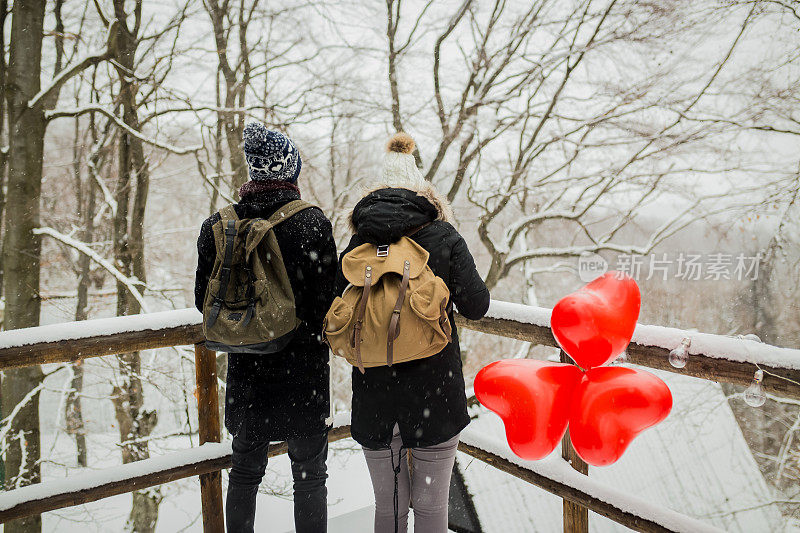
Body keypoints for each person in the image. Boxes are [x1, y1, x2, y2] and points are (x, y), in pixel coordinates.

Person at [334, 133, 491, 533]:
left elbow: (339, 310)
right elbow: (477, 304)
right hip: (434, 395)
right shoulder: (442, 236)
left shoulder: (359, 242)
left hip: (375, 397)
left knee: (388, 510)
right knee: (431, 508)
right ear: (423, 192)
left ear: (377, 193)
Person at [194, 122, 337, 533]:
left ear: (254, 171)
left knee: (244, 472)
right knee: (310, 475)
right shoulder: (310, 223)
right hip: (303, 371)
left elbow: (203, 302)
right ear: (290, 169)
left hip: (248, 370)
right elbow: (325, 301)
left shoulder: (219, 227)